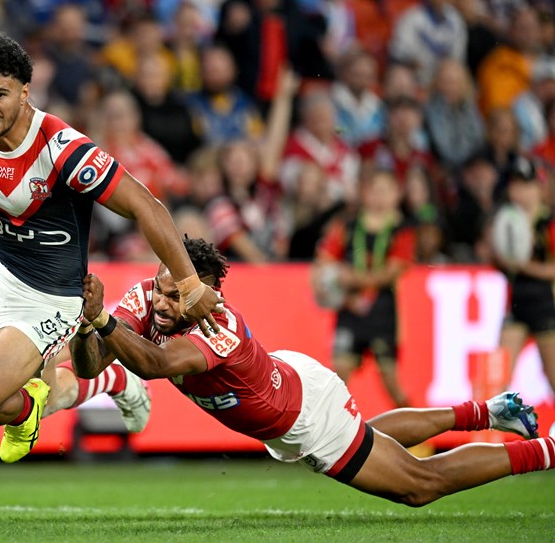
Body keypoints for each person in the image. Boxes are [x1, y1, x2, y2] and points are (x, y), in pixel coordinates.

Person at [0, 32, 222, 534]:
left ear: (25, 92)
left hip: (52, 294)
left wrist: (188, 282)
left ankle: (33, 402)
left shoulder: (63, 149)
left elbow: (146, 205)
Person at [71, 237, 551, 511]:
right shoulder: (148, 299)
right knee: (366, 437)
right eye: (158, 288)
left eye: (175, 294)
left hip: (305, 416)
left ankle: (544, 450)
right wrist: (86, 320)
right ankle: (486, 411)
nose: (159, 301)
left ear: (209, 292)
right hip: (290, 385)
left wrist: (104, 320)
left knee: (418, 486)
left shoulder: (220, 328)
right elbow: (91, 363)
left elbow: (154, 364)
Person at [312, 171, 414, 408]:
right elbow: (323, 264)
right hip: (350, 311)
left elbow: (390, 273)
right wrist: (327, 290)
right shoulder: (346, 226)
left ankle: (418, 440)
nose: (379, 197)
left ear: (396, 195)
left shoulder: (403, 230)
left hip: (382, 315)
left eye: (385, 190)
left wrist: (349, 279)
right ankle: (334, 436)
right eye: (374, 190)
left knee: (391, 382)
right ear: (364, 193)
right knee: (338, 377)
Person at [490, 157, 555, 397]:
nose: (520, 193)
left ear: (540, 188)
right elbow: (501, 263)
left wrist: (524, 266)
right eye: (515, 186)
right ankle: (492, 433)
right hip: (517, 303)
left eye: (526, 186)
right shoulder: (506, 221)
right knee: (498, 376)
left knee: (553, 375)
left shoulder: (548, 223)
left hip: (547, 305)